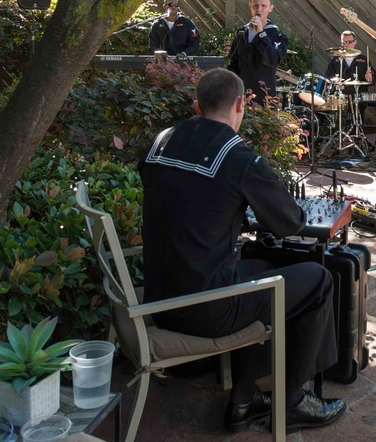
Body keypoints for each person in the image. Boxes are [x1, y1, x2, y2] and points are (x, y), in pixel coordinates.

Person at [139, 68, 346, 434]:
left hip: (159, 298)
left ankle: (244, 399)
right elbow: (290, 222)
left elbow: (185, 199)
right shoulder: (237, 156)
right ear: (239, 104)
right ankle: (292, 402)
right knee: (319, 280)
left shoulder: (161, 140)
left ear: (196, 106)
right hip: (205, 310)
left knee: (260, 265)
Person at [227, 0, 289, 106]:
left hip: (264, 96)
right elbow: (233, 62)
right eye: (255, 5)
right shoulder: (241, 32)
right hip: (242, 94)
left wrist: (261, 33)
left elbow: (273, 59)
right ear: (250, 6)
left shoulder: (277, 35)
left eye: (263, 6)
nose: (259, 9)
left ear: (271, 8)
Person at [324, 30, 374, 94]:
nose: (346, 45)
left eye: (349, 42)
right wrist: (334, 80)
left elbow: (372, 75)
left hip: (358, 96)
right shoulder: (336, 59)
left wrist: (369, 78)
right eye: (343, 42)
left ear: (355, 42)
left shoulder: (363, 60)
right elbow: (328, 76)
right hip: (340, 95)